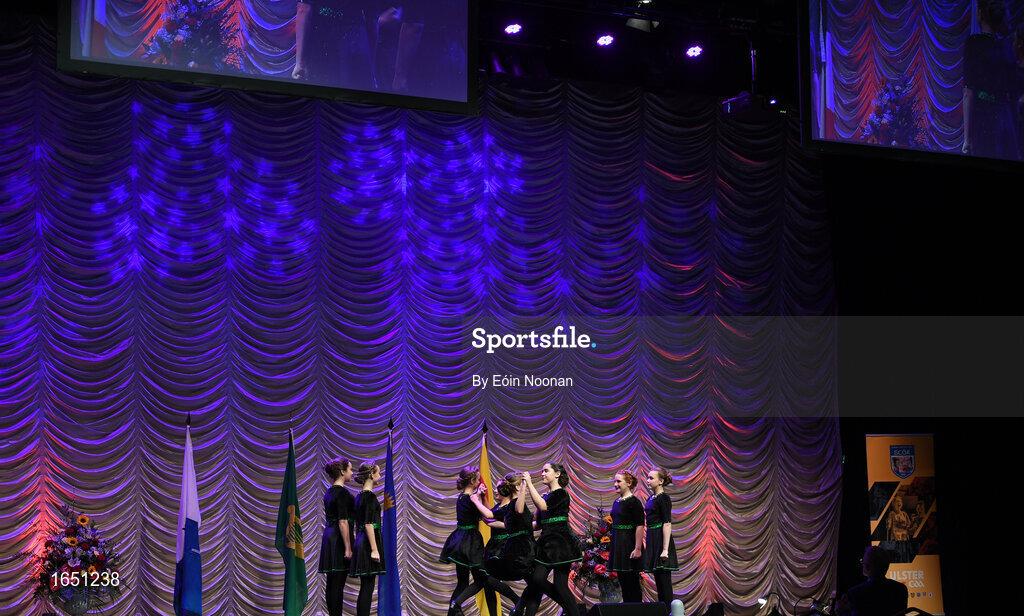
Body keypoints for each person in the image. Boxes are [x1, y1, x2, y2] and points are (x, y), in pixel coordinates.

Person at [440, 467, 518, 616]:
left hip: (459, 542)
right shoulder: (471, 500)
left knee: (464, 582)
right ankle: (517, 600)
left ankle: (453, 609)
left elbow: (487, 512)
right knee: (483, 579)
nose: (480, 482)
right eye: (478, 479)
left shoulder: (462, 497)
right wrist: (479, 497)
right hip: (470, 542)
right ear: (472, 481)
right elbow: (487, 517)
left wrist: (480, 497)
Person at [514, 463, 581, 616]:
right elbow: (537, 524)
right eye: (542, 471)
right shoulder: (547, 495)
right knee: (537, 579)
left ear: (557, 474)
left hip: (560, 543)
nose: (542, 473)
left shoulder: (561, 493)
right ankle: (570, 608)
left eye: (546, 470)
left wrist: (530, 483)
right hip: (546, 543)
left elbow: (544, 507)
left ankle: (572, 611)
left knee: (560, 585)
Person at [293, 1, 399, 89]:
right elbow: (372, 20)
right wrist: (370, 66)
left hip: (322, 41)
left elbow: (304, 10)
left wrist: (300, 62)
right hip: (355, 42)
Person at [962, 0, 1020, 159]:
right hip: (1005, 119)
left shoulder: (973, 43)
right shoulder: (1008, 48)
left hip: (984, 119)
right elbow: (1014, 97)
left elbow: (969, 92)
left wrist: (967, 139)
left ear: (980, 15)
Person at [318, 458, 355, 616]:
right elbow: (343, 521)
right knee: (337, 583)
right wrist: (348, 547)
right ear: (342, 471)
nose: (352, 473)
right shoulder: (341, 493)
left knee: (334, 583)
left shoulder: (330, 491)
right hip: (339, 539)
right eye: (350, 470)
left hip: (330, 536)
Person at [486, 472, 536, 584]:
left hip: (522, 546)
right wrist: (524, 486)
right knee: (534, 583)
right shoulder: (514, 504)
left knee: (534, 583)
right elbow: (519, 510)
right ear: (518, 487)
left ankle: (520, 601)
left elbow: (525, 523)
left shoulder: (512, 505)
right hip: (523, 549)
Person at [350, 461, 386, 616]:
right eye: (378, 472)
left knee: (366, 585)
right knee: (368, 586)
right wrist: (374, 549)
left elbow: (358, 526)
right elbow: (369, 524)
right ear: (372, 475)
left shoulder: (359, 496)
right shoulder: (369, 497)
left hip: (361, 541)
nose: (380, 475)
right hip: (368, 543)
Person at [835, 546, 909, 616]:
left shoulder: (855, 594)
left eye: (862, 562)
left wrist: (841, 612)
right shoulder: (901, 589)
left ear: (867, 567)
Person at [643, 468, 678, 611]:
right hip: (652, 538)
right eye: (648, 477)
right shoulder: (651, 498)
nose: (648, 480)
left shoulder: (664, 498)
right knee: (658, 581)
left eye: (651, 478)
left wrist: (665, 549)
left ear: (661, 481)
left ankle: (669, 612)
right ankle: (664, 611)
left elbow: (667, 523)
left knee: (664, 582)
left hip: (661, 539)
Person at [608, 471, 645, 603]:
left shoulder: (634, 502)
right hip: (618, 544)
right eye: (615, 481)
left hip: (629, 544)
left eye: (618, 481)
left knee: (632, 581)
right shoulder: (616, 502)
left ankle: (636, 610)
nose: (615, 484)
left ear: (629, 483)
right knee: (623, 581)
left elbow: (640, 525)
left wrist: (638, 548)